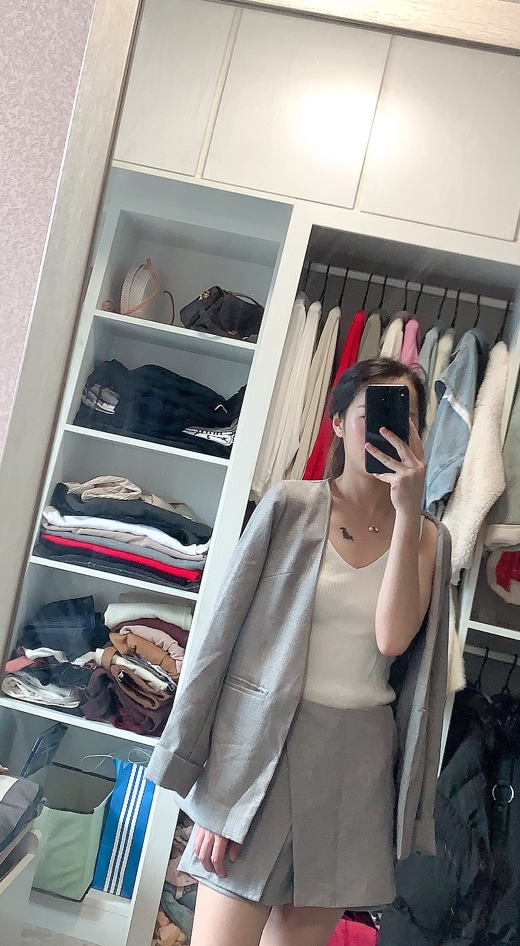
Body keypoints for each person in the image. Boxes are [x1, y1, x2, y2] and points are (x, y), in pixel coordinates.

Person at [144, 357, 453, 946]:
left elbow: (393, 640)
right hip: (264, 749)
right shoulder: (289, 506)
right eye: (372, 415)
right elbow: (218, 646)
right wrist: (219, 796)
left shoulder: (428, 538)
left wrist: (409, 513)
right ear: (337, 423)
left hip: (356, 762)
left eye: (406, 419)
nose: (390, 431)